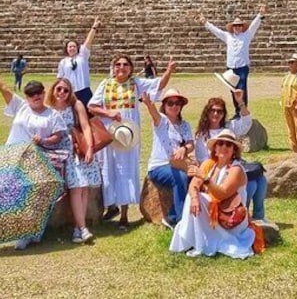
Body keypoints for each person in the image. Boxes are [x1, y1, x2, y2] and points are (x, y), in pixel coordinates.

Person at [0, 59, 67, 250]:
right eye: (31, 94)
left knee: (33, 196)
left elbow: (58, 136)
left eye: (39, 92)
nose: (36, 96)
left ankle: (32, 232)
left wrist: (43, 140)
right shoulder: (21, 107)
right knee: (11, 196)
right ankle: (17, 230)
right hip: (12, 156)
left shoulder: (52, 115)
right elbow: (4, 90)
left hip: (36, 157)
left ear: (44, 93)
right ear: (26, 96)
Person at [89, 53, 176, 228]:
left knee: (126, 170)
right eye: (118, 64)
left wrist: (168, 71)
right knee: (109, 168)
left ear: (130, 68)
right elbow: (91, 106)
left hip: (128, 133)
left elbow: (159, 84)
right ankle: (110, 207)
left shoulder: (136, 84)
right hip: (110, 132)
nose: (122, 67)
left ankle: (124, 214)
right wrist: (109, 113)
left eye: (125, 64)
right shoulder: (105, 84)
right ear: (113, 67)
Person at [170, 130, 257, 258]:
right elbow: (193, 185)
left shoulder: (236, 169)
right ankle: (193, 240)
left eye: (228, 145)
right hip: (214, 213)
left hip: (230, 217)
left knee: (201, 197)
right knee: (193, 197)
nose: (224, 147)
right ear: (215, 148)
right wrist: (194, 197)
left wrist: (205, 179)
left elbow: (223, 194)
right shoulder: (210, 164)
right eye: (220, 143)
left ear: (234, 150)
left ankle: (199, 243)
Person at [194, 89, 266, 221]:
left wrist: (240, 102)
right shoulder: (202, 135)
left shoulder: (229, 126)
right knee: (251, 185)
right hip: (217, 171)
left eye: (219, 111)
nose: (216, 114)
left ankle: (259, 216)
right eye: (212, 110)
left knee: (261, 179)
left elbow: (247, 122)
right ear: (207, 112)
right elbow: (204, 162)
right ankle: (240, 213)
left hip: (233, 164)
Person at [46, 77, 101, 245]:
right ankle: (82, 229)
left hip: (77, 148)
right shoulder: (49, 108)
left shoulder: (76, 106)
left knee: (82, 188)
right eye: (59, 89)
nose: (62, 92)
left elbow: (85, 127)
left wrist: (90, 147)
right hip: (60, 151)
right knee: (77, 188)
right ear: (53, 90)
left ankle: (79, 229)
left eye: (66, 90)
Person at [196, 4, 265, 110]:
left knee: (241, 89)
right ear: (233, 27)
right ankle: (237, 111)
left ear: (242, 27)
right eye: (236, 26)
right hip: (231, 68)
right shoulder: (228, 36)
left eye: (239, 25)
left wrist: (260, 14)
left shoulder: (246, 35)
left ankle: (243, 110)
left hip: (242, 67)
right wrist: (206, 22)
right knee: (232, 89)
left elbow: (254, 26)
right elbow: (216, 31)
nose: (237, 27)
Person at [143, 88, 194, 230]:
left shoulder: (185, 125)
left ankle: (173, 217)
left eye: (177, 103)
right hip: (159, 166)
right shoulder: (162, 121)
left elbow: (191, 143)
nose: (174, 106)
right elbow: (154, 114)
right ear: (164, 105)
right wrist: (149, 104)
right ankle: (180, 221)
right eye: (170, 103)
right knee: (181, 178)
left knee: (197, 177)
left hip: (178, 164)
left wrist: (184, 149)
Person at [57, 17, 100, 107]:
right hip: (70, 91)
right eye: (70, 46)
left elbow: (88, 42)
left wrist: (94, 27)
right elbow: (60, 79)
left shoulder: (82, 56)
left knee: (90, 115)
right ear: (66, 49)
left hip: (84, 90)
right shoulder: (63, 62)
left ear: (78, 48)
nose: (72, 48)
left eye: (74, 46)